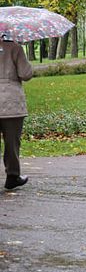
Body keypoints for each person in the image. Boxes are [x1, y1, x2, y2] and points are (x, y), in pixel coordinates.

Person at [0, 34, 33, 190]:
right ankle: (12, 176)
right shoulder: (14, 48)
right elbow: (26, 74)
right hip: (11, 103)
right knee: (12, 142)